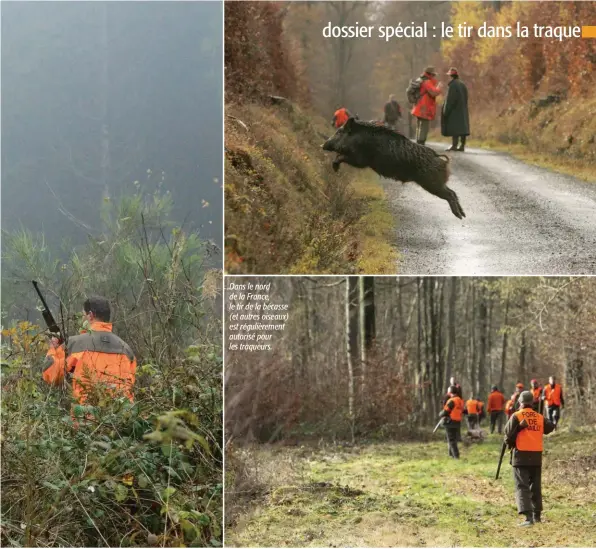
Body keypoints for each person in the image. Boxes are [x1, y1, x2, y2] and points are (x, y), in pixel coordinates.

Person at [43, 296, 137, 410]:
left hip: (86, 418)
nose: (83, 319)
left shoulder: (74, 344)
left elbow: (52, 376)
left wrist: (53, 348)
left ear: (90, 315)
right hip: (122, 418)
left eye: (83, 315)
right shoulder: (126, 349)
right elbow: (130, 386)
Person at [504, 390, 555, 526]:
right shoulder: (539, 417)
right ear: (532, 403)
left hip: (521, 456)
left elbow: (508, 437)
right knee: (535, 486)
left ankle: (528, 518)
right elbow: (550, 427)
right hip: (536, 456)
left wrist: (519, 430)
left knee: (522, 486)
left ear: (520, 402)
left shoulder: (516, 416)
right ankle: (537, 516)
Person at [411, 66, 442, 146]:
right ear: (430, 74)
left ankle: (418, 142)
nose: (434, 76)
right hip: (424, 107)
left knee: (419, 125)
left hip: (418, 106)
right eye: (433, 75)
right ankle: (421, 144)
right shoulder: (427, 82)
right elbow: (434, 92)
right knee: (424, 126)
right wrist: (439, 87)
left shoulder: (420, 80)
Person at [441, 67, 470, 152]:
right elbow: (466, 97)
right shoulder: (462, 84)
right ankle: (462, 146)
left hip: (455, 110)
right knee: (462, 128)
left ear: (451, 76)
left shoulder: (453, 85)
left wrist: (446, 110)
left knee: (455, 128)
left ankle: (454, 145)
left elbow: (450, 100)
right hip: (462, 109)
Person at [439, 385, 466, 459]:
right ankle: (451, 455)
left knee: (451, 440)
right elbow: (463, 410)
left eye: (448, 391)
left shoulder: (452, 401)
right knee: (453, 439)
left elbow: (446, 411)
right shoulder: (460, 400)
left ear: (450, 392)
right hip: (457, 421)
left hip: (450, 421)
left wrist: (440, 414)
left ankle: (456, 456)